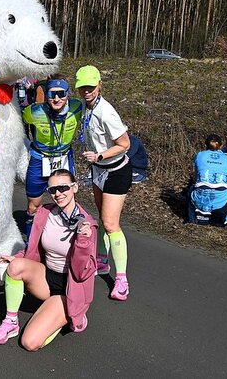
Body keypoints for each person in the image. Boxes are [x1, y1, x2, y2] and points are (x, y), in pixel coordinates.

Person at [0, 169, 97, 349]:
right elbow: (33, 248)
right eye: (53, 190)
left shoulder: (87, 225)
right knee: (15, 266)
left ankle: (71, 314)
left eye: (63, 188)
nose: (58, 193)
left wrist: (83, 243)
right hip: (46, 279)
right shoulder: (46, 212)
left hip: (69, 289)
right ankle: (10, 322)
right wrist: (15, 257)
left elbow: (81, 273)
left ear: (75, 188)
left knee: (29, 343)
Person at [76, 65, 132, 301]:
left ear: (100, 85)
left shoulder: (106, 112)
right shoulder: (85, 106)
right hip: (99, 170)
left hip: (116, 170)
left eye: (91, 86)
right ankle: (104, 260)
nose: (87, 91)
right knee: (103, 218)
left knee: (110, 224)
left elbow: (125, 144)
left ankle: (122, 280)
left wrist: (99, 155)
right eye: (82, 87)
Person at [22, 75, 83, 237]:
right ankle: (31, 241)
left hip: (63, 159)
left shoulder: (77, 107)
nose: (56, 99)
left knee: (68, 201)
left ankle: (69, 240)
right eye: (52, 94)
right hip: (39, 160)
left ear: (68, 93)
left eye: (61, 94)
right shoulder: (33, 112)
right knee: (33, 206)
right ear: (46, 94)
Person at [188, 134, 227, 226]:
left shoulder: (199, 155)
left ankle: (198, 210)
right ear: (221, 146)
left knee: (191, 188)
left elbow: (195, 178)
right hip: (221, 199)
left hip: (201, 194)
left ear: (205, 145)